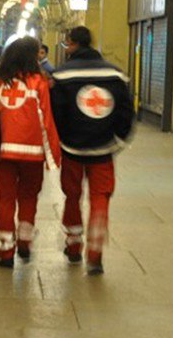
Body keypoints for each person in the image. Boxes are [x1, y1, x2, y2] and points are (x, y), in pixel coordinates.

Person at [50, 26, 134, 275]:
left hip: (72, 149)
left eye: (67, 44)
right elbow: (126, 112)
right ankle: (95, 253)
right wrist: (117, 139)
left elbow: (56, 114)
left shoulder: (62, 75)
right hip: (103, 150)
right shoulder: (115, 74)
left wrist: (63, 140)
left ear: (73, 44)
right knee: (100, 198)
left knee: (72, 196)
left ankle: (74, 245)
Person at [0, 36, 61, 266]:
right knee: (29, 196)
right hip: (32, 153)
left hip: (3, 152)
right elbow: (46, 119)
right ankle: (25, 242)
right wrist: (53, 156)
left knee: (4, 199)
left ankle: (5, 252)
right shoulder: (38, 82)